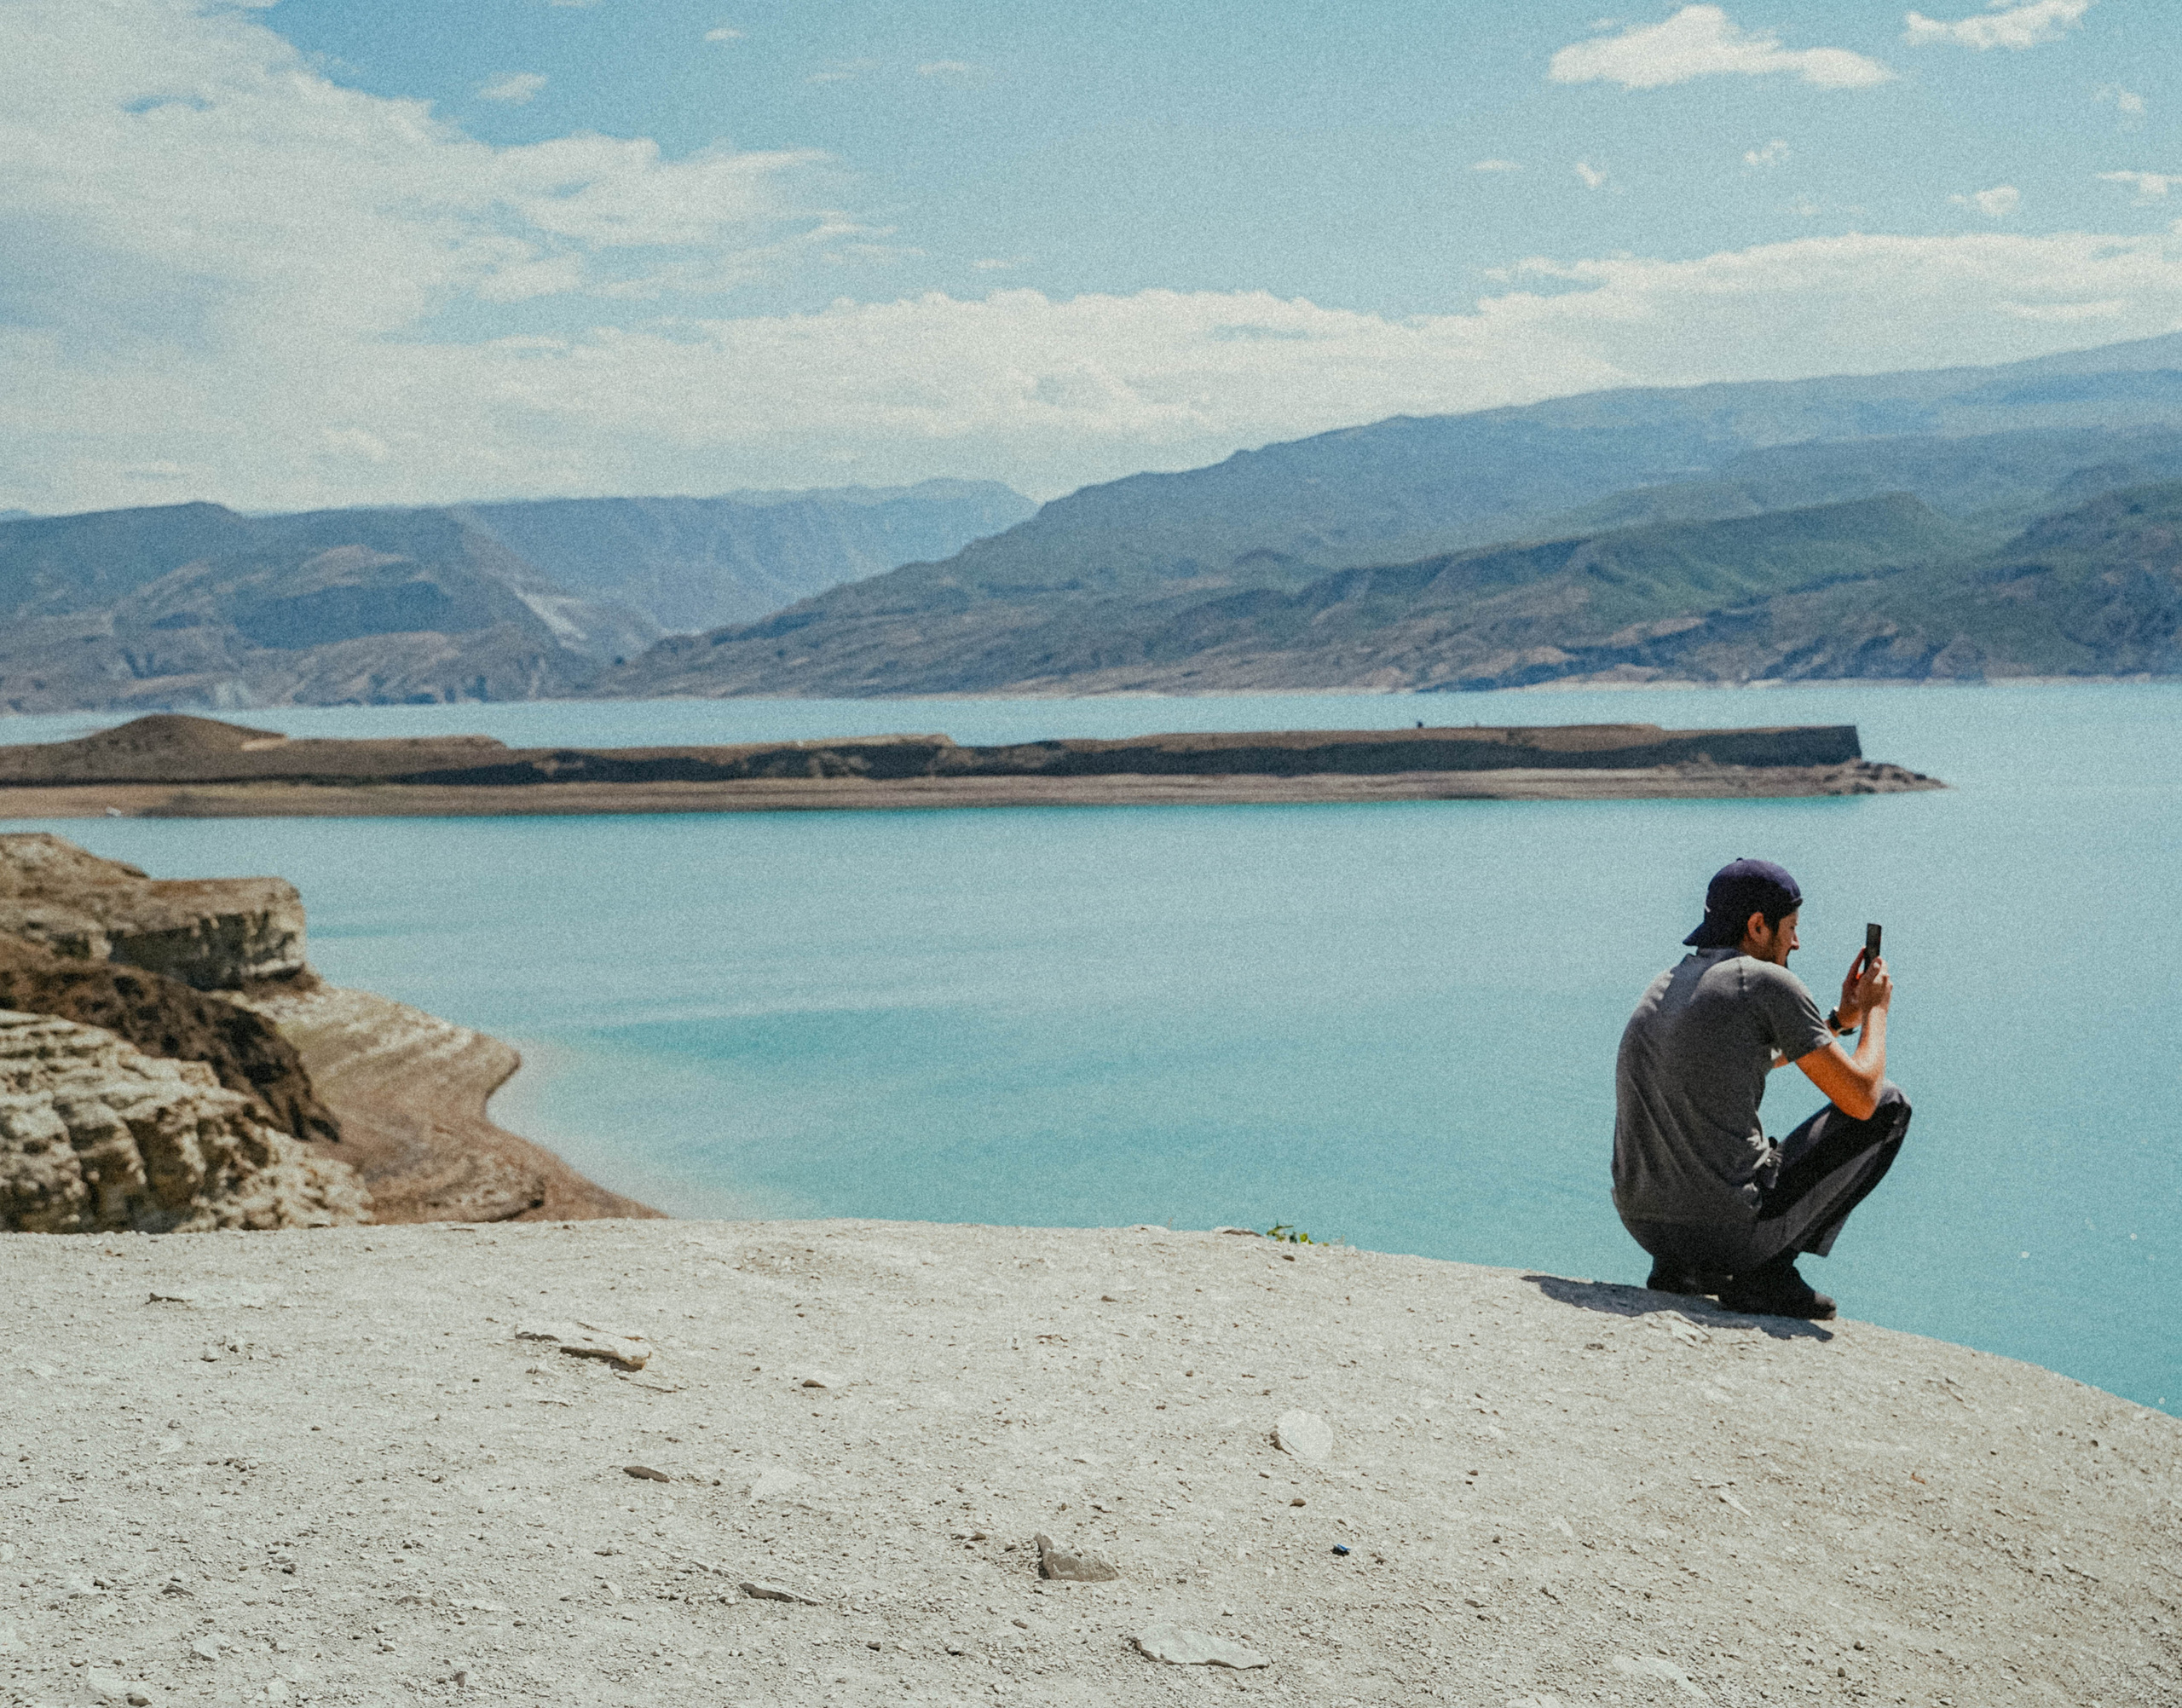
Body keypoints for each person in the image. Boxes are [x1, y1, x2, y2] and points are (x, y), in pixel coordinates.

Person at [1611, 857, 1909, 1320]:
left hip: (1647, 1227)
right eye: (1790, 927)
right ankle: (1768, 1274)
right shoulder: (1768, 981)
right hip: (1725, 1231)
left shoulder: (1669, 982)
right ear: (1757, 925)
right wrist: (1875, 1011)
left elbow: (1744, 1061)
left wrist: (1835, 1024)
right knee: (1891, 1106)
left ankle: (1688, 1271)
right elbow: (1863, 1098)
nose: (1796, 942)